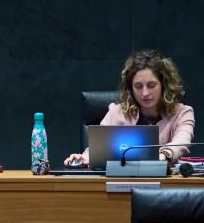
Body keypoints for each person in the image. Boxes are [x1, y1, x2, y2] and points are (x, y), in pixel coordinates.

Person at [64, 49, 195, 166]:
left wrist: (164, 155)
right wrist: (84, 158)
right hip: (122, 181)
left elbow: (181, 143)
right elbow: (98, 149)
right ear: (130, 88)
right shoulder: (116, 112)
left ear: (164, 85)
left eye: (151, 85)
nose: (145, 93)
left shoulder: (183, 113)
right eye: (138, 86)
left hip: (165, 187)